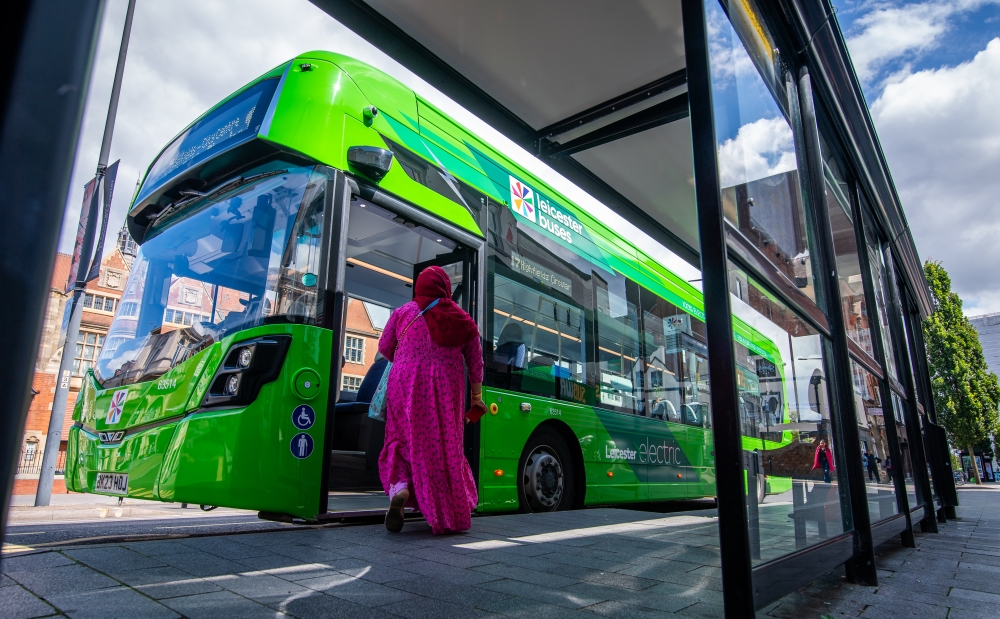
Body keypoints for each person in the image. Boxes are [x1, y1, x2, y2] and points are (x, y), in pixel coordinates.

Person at [378, 266, 485, 534]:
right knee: (442, 445)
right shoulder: (463, 319)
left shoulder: (403, 313)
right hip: (445, 388)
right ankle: (445, 513)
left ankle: (400, 490)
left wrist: (409, 361)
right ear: (445, 287)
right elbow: (476, 363)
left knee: (401, 440)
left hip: (403, 383)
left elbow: (384, 347)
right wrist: (476, 397)